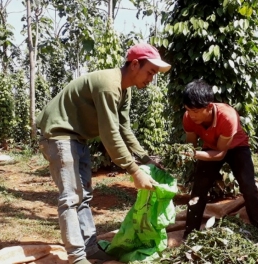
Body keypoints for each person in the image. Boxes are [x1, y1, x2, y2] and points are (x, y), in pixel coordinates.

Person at [36, 43, 171, 264]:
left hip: (77, 137)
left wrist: (146, 159)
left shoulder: (124, 91)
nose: (151, 79)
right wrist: (134, 170)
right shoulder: (109, 85)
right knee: (70, 198)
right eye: (150, 72)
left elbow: (124, 129)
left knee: (84, 196)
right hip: (58, 135)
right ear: (135, 64)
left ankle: (90, 249)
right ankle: (77, 257)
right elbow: (109, 134)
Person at [181, 79, 258, 239]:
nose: (192, 115)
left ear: (209, 107)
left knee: (249, 187)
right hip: (210, 147)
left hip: (236, 147)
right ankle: (189, 234)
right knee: (198, 189)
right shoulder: (188, 117)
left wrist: (193, 154)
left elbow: (219, 153)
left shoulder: (227, 117)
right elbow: (190, 145)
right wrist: (185, 153)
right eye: (188, 110)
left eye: (196, 111)